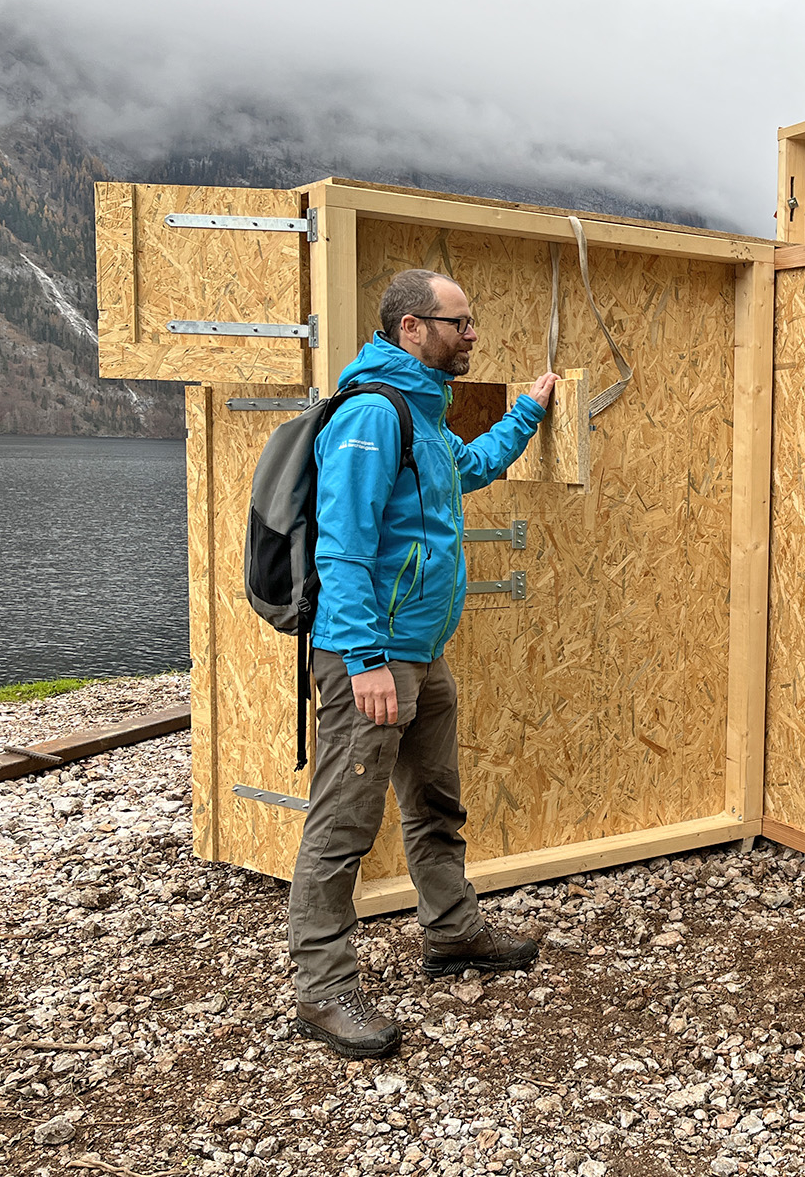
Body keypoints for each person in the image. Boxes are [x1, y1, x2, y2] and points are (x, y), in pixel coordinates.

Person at [289, 268, 557, 1058]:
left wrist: (528, 415)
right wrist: (365, 658)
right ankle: (324, 988)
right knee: (343, 824)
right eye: (459, 322)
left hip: (420, 656)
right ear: (412, 327)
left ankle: (451, 932)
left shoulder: (421, 414)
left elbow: (465, 471)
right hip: (370, 659)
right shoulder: (373, 414)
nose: (472, 333)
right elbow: (342, 547)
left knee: (436, 802)